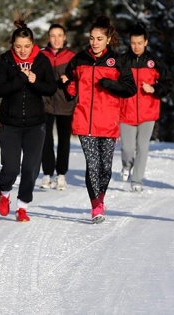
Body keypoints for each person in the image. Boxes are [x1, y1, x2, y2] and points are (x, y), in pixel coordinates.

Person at [61, 15, 136, 223]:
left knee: (105, 168)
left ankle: (100, 198)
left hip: (109, 121)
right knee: (92, 165)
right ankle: (96, 206)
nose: (94, 42)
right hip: (84, 119)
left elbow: (130, 88)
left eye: (99, 39)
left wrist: (109, 84)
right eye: (92, 38)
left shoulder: (118, 61)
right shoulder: (79, 60)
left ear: (108, 39)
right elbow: (70, 84)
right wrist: (67, 87)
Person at [0, 12, 57, 222]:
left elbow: (50, 88)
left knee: (30, 168)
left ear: (32, 45)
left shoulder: (41, 61)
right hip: (10, 124)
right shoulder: (5, 61)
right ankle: (4, 194)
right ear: (13, 45)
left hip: (35, 124)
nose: (22, 50)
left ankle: (22, 207)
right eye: (18, 46)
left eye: (26, 46)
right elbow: (0, 90)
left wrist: (35, 81)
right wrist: (21, 78)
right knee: (10, 168)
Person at [120, 22, 173, 192]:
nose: (136, 46)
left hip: (148, 112)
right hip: (125, 112)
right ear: (129, 42)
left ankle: (137, 180)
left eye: (140, 43)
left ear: (146, 42)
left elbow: (168, 83)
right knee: (127, 149)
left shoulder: (153, 62)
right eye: (133, 43)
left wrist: (154, 89)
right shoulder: (121, 61)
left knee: (143, 147)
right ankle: (127, 165)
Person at [39, 24, 76, 191]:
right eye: (53, 35)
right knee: (45, 140)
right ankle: (47, 174)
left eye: (59, 35)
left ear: (65, 37)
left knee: (63, 141)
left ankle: (61, 175)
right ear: (48, 37)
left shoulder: (72, 57)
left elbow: (78, 80)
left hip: (65, 104)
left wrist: (68, 80)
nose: (56, 39)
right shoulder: (41, 55)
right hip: (45, 103)